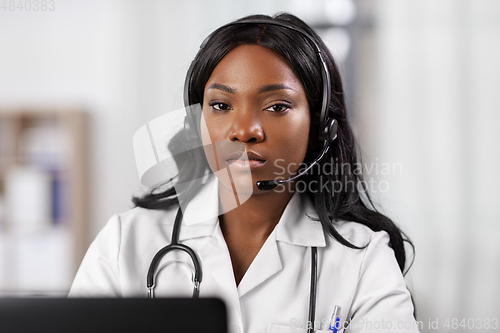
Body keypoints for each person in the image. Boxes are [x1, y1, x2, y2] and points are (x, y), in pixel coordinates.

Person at [70, 13, 419, 333]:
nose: (245, 130)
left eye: (277, 106)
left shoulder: (363, 258)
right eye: (221, 105)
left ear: (321, 128)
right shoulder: (124, 243)